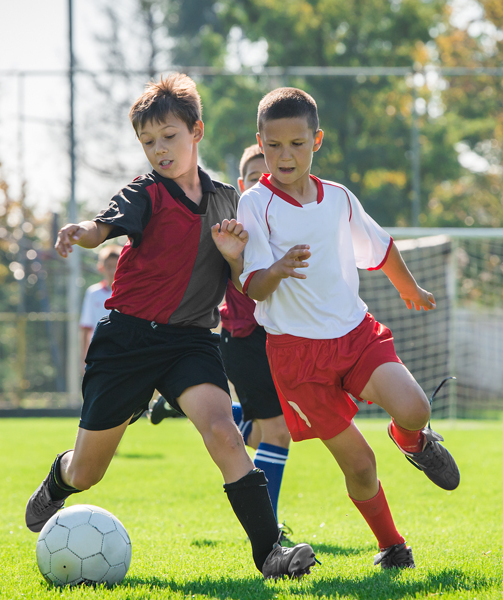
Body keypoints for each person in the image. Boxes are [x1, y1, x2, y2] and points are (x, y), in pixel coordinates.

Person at [24, 73, 317, 580]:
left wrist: (232, 257)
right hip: (127, 340)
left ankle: (270, 553)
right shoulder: (146, 193)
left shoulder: (228, 201)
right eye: (148, 141)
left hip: (191, 341)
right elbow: (106, 225)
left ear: (196, 131)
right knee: (88, 471)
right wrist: (83, 232)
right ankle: (60, 478)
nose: (159, 150)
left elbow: (242, 281)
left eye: (169, 137)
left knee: (224, 431)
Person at [233, 87, 460, 570]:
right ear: (261, 142)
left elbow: (380, 247)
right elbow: (252, 286)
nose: (285, 155)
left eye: (297, 143)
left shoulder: (337, 197)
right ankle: (393, 546)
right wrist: (279, 268)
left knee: (415, 409)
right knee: (361, 466)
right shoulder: (255, 204)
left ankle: (413, 441)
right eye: (273, 146)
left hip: (356, 335)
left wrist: (410, 288)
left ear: (317, 140)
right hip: (298, 358)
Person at [150, 144, 296, 546]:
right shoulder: (232, 224)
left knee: (286, 424)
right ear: (241, 185)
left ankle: (183, 405)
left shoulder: (294, 219)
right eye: (253, 176)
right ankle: (271, 530)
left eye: (268, 174)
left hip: (286, 336)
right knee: (278, 431)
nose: (262, 182)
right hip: (244, 337)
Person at [79, 244, 121, 360]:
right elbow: (85, 328)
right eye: (109, 266)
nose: (112, 271)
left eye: (115, 266)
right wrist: (84, 359)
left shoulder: (129, 293)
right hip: (99, 354)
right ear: (101, 267)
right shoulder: (93, 293)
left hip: (122, 352)